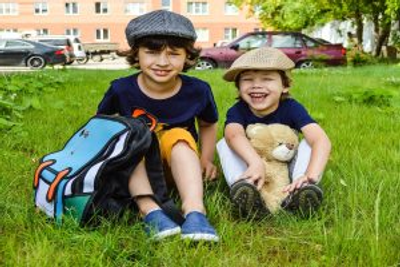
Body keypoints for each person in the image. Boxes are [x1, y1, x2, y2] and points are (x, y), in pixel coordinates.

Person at [97, 10, 219, 242]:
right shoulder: (120, 89)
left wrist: (206, 158)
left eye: (174, 54)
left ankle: (195, 212)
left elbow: (208, 123)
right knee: (131, 139)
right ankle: (149, 211)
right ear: (136, 54)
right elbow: (99, 126)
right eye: (152, 52)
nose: (162, 62)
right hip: (133, 171)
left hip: (180, 169)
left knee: (178, 135)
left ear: (187, 56)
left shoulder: (198, 90)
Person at [216, 47, 331, 219]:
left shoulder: (291, 108)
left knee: (309, 142)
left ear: (285, 86)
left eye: (267, 79)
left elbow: (321, 140)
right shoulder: (238, 110)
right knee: (225, 143)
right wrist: (255, 163)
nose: (256, 85)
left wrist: (310, 175)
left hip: (286, 165)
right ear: (238, 88)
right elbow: (234, 135)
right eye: (248, 80)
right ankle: (244, 188)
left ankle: (301, 189)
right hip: (252, 166)